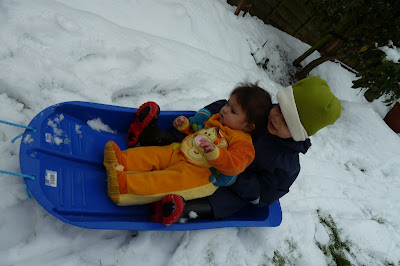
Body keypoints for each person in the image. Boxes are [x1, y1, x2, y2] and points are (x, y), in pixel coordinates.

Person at [130, 76, 342, 226]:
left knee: (226, 201)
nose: (276, 118)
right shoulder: (263, 113)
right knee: (191, 139)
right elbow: (230, 106)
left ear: (299, 133)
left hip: (229, 182)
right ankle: (151, 137)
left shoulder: (286, 165)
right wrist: (206, 114)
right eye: (280, 109)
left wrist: (234, 179)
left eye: (287, 121)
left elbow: (264, 194)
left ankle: (184, 209)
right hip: (208, 150)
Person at [103, 82, 273, 225]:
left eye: (233, 110)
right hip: (182, 150)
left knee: (163, 181)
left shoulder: (243, 143)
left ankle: (124, 188)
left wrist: (216, 154)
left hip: (200, 174)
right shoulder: (218, 120)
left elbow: (235, 165)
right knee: (152, 154)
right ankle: (121, 160)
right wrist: (186, 125)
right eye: (228, 104)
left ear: (248, 126)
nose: (225, 109)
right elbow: (199, 129)